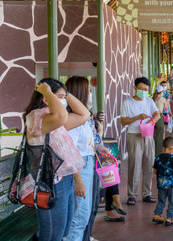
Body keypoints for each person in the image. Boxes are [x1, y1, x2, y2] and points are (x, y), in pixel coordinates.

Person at [24, 78, 87, 241]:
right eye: (60, 97)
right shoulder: (37, 118)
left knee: (63, 231)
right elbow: (61, 114)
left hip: (64, 179)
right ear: (46, 98)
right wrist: (47, 92)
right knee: (52, 235)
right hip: (50, 182)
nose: (64, 101)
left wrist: (65, 93)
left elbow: (83, 114)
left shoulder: (52, 119)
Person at [64, 76, 112, 239]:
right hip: (80, 168)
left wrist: (99, 147)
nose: (91, 93)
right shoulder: (72, 119)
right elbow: (70, 152)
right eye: (88, 90)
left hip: (88, 164)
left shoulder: (84, 117)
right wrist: (78, 180)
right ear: (81, 93)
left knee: (83, 215)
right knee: (78, 217)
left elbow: (87, 143)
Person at [120, 77, 161, 205]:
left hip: (148, 135)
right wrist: (137, 117)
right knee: (134, 165)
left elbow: (157, 115)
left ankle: (147, 193)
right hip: (134, 136)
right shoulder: (127, 102)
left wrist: (150, 122)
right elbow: (123, 121)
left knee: (149, 164)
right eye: (141, 89)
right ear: (135, 88)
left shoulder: (149, 101)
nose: (144, 91)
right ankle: (132, 195)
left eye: (146, 90)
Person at [152, 137, 173, 226]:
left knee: (161, 200)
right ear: (171, 148)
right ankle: (169, 218)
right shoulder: (172, 158)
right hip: (171, 185)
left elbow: (155, 171)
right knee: (172, 201)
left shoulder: (158, 158)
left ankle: (157, 215)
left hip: (161, 184)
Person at [153, 85, 168, 157]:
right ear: (161, 92)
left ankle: (152, 151)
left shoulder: (153, 98)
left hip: (152, 118)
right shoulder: (163, 99)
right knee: (159, 136)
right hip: (159, 117)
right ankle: (158, 153)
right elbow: (164, 108)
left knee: (153, 135)